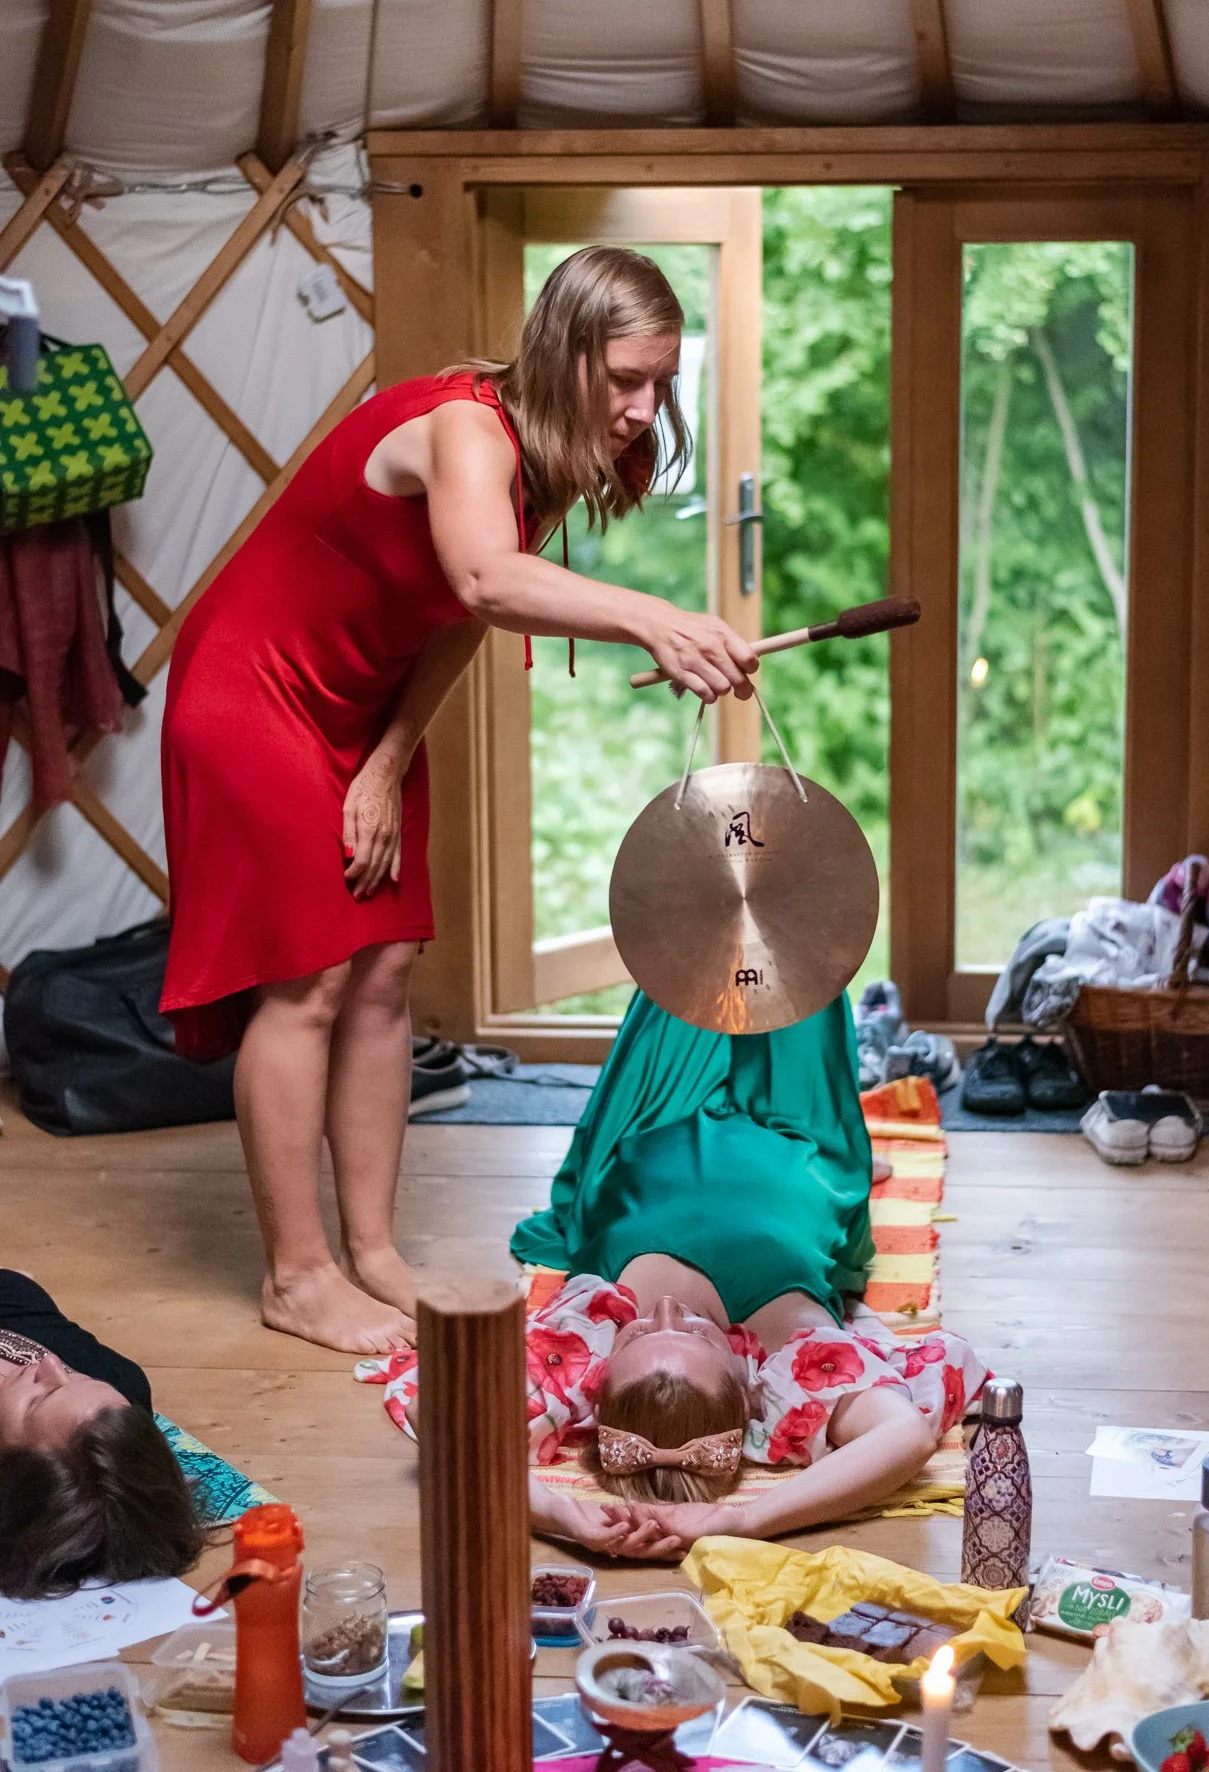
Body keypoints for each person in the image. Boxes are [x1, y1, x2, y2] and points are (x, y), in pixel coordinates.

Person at [160, 249, 758, 1357]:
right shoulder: (464, 431)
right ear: (566, 352)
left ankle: (373, 1251)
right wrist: (652, 617)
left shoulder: (546, 453)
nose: (643, 408)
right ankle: (297, 1273)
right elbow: (485, 579)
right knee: (310, 978)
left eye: (661, 383)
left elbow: (451, 616)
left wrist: (388, 756)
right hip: (251, 688)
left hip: (360, 707)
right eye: (625, 378)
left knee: (385, 967)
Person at [370, 990, 985, 1557]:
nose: (663, 1311)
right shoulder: (794, 1359)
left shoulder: (581, 1344)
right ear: (750, 1389)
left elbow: (438, 1409)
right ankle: (844, 1154)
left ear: (597, 1379)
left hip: (651, 1120)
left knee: (693, 960)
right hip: (791, 1134)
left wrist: (560, 1514)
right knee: (792, 969)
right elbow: (904, 1438)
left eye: (636, 1335)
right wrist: (745, 1521)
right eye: (692, 1332)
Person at [0, 1271, 203, 1599]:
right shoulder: (117, 1378)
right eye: (78, 1378)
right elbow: (16, 1290)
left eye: (38, 1399)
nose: (50, 1364)